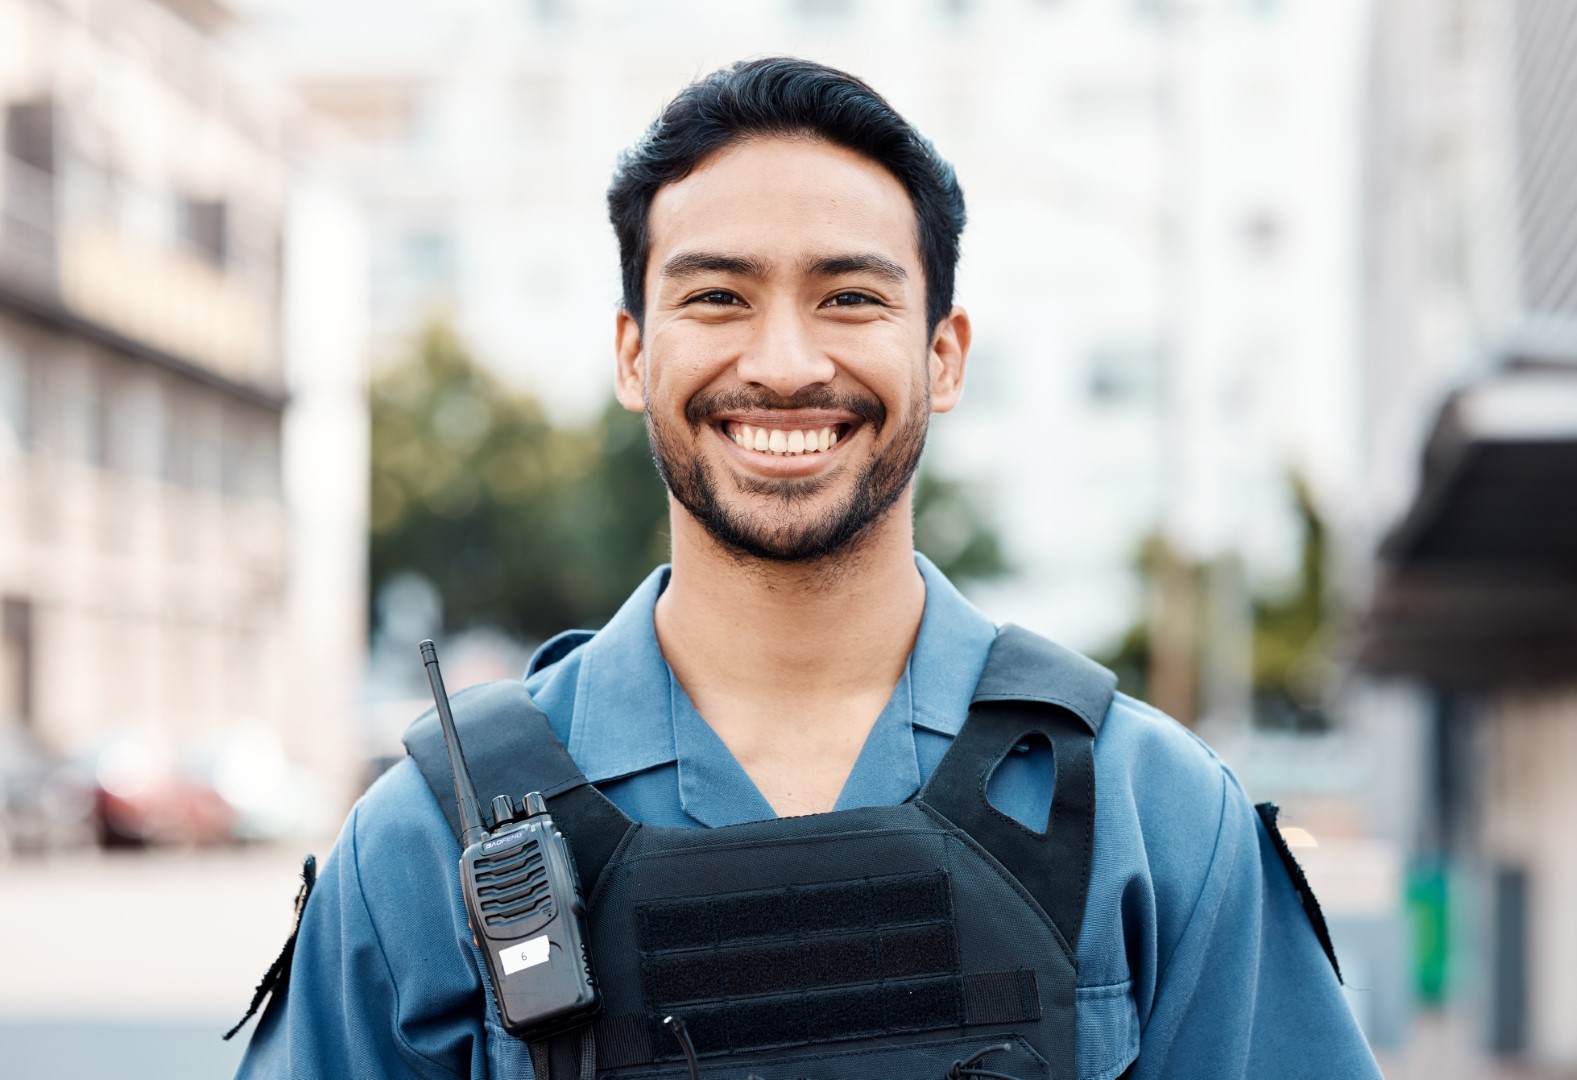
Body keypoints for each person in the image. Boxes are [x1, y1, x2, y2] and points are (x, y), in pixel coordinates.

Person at [235, 58, 1382, 1080]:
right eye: (717, 296)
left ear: (942, 356)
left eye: (849, 297)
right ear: (634, 352)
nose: (784, 363)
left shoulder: (1153, 815)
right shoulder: (424, 844)